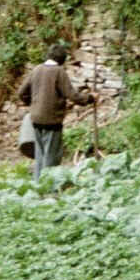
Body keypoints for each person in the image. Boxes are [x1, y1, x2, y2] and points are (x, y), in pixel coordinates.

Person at [18, 43, 92, 181]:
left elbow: (21, 93)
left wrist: (32, 104)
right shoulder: (59, 72)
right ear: (62, 59)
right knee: (51, 156)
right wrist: (89, 99)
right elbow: (72, 95)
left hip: (36, 119)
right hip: (51, 120)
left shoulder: (37, 69)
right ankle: (49, 186)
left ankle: (37, 184)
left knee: (40, 155)